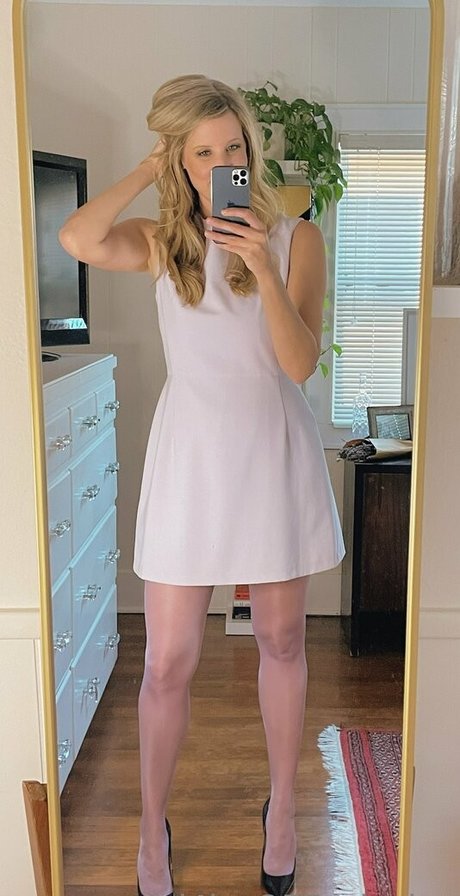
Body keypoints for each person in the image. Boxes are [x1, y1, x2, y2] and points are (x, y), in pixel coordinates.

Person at [59, 73, 345, 896]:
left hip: (273, 452)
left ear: (252, 150)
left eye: (234, 147)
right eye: (203, 152)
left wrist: (261, 261)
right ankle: (152, 830)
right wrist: (146, 172)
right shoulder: (162, 242)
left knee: (281, 642)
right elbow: (78, 236)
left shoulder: (298, 238)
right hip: (191, 460)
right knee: (168, 662)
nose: (224, 163)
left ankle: (282, 812)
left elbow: (298, 365)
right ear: (181, 162)